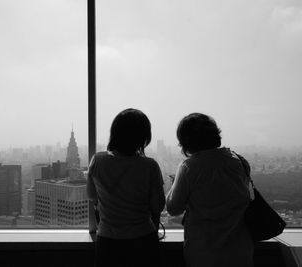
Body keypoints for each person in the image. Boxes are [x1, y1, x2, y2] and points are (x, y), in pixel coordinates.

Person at [166, 113, 254, 267]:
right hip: (241, 251)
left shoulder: (189, 167)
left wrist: (175, 186)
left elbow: (173, 208)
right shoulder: (239, 161)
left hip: (203, 253)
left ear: (186, 142)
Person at [87, 108, 165, 267]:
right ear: (143, 137)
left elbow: (91, 196)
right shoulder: (149, 166)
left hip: (108, 241)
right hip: (143, 240)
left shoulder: (98, 161)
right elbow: (158, 205)